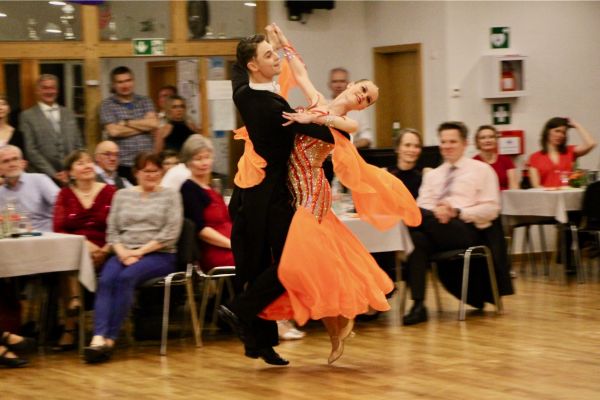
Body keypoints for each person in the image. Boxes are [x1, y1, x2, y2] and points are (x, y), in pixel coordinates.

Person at [254, 24, 420, 364]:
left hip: (313, 195)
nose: (363, 96)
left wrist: (311, 118)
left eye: (368, 99)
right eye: (363, 89)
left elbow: (340, 124)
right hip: (294, 191)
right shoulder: (317, 101)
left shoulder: (347, 123)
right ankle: (336, 329)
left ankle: (321, 325)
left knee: (303, 262)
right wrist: (284, 44)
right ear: (351, 84)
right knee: (319, 265)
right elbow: (300, 72)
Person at [217, 31, 339, 367]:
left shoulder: (243, 92)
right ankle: (240, 310)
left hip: (249, 193)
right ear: (253, 65)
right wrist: (325, 115)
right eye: (269, 55)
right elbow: (328, 133)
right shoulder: (272, 108)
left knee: (258, 266)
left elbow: (236, 68)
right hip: (267, 197)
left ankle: (259, 343)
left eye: (275, 53)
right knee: (290, 262)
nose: (277, 59)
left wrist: (278, 43)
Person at [84, 152, 182, 364]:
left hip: (159, 254)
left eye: (155, 171)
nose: (151, 175)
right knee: (106, 280)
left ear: (161, 172)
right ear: (136, 173)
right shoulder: (121, 195)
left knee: (126, 278)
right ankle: (97, 337)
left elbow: (170, 234)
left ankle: (110, 340)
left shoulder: (171, 195)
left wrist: (139, 252)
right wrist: (122, 252)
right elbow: (112, 231)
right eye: (146, 171)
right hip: (123, 251)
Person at [403, 121, 502, 326]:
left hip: (467, 229)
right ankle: (419, 305)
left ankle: (400, 225)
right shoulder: (433, 175)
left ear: (465, 144)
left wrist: (457, 211)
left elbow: (492, 209)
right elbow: (424, 205)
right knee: (417, 239)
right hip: (435, 227)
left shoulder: (482, 170)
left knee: (410, 215)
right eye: (443, 142)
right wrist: (437, 212)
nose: (447, 146)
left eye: (452, 142)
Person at [52, 150, 116, 350]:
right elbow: (58, 228)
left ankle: (71, 323)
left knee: (68, 262)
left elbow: (121, 225)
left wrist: (106, 249)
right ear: (71, 172)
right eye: (80, 163)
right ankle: (74, 306)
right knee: (67, 256)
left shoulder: (111, 192)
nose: (87, 165)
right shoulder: (64, 195)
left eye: (89, 162)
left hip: (108, 249)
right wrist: (83, 244)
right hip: (76, 248)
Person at [179, 136, 234, 272]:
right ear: (188, 162)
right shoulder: (188, 189)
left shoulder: (210, 188)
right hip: (215, 250)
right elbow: (201, 230)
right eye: (198, 159)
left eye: (207, 157)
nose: (204, 163)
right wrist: (232, 244)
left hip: (230, 244)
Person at [19, 74, 84, 186]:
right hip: (42, 177)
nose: (49, 91)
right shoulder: (27, 116)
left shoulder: (68, 113)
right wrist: (53, 174)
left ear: (57, 90)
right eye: (45, 88)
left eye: (52, 88)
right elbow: (31, 151)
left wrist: (71, 170)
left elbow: (78, 144)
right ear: (37, 91)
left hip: (71, 176)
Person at [99, 66, 159, 184]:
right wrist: (144, 127)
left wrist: (127, 122)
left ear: (133, 81)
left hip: (146, 163)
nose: (125, 85)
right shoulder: (107, 105)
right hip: (123, 164)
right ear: (114, 85)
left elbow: (153, 124)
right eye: (120, 82)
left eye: (128, 80)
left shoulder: (145, 100)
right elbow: (114, 131)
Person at [0, 145, 59, 232]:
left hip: (46, 235)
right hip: (15, 237)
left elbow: (62, 205)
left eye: (15, 159)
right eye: (6, 161)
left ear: (22, 163)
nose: (12, 164)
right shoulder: (1, 192)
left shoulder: (40, 180)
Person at [528, 117, 596, 188]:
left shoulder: (570, 151)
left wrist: (576, 125)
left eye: (563, 132)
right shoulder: (534, 157)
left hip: (568, 194)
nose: (560, 135)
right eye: (557, 131)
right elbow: (536, 186)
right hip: (546, 194)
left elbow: (591, 143)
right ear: (547, 132)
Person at [328, 67, 374, 149]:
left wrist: (348, 147)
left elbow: (366, 136)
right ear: (329, 85)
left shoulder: (359, 109)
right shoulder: (322, 105)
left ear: (349, 84)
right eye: (335, 81)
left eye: (342, 81)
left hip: (350, 152)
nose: (338, 85)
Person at [473, 125, 518, 190]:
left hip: (505, 196)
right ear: (477, 142)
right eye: (483, 138)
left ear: (496, 140)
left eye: (491, 137)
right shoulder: (473, 163)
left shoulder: (506, 160)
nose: (487, 140)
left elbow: (514, 186)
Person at [388, 128, 425, 198]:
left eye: (417, 146)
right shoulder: (385, 174)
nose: (412, 150)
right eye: (407, 145)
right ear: (397, 148)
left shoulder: (426, 174)